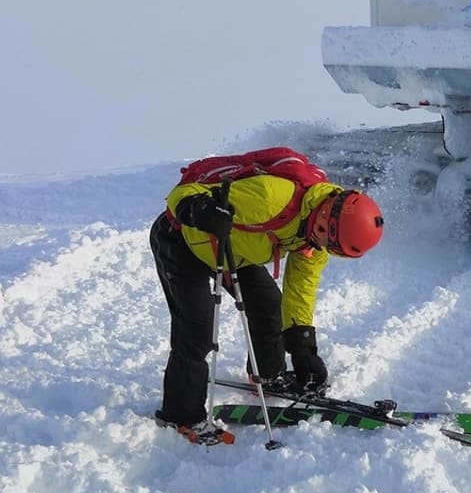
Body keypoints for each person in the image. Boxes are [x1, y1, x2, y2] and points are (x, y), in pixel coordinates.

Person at [149, 169, 385, 445]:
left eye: (330, 248)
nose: (321, 248)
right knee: (197, 329)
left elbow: (300, 291)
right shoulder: (270, 196)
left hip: (234, 250)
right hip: (182, 241)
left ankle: (268, 374)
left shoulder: (316, 239)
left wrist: (303, 350)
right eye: (326, 243)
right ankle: (181, 416)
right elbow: (181, 195)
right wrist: (202, 212)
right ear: (325, 223)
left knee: (268, 304)